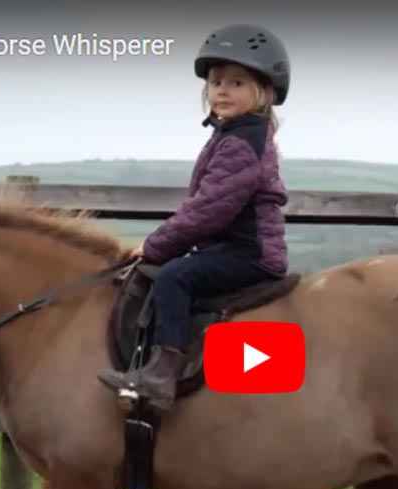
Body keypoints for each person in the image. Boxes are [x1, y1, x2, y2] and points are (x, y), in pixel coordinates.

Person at [98, 23, 291, 411]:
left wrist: (155, 246)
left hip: (250, 254)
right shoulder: (232, 135)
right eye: (216, 81)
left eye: (237, 83)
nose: (222, 89)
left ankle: (160, 376)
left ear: (264, 93)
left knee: (174, 275)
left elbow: (208, 211)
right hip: (232, 248)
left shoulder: (241, 142)